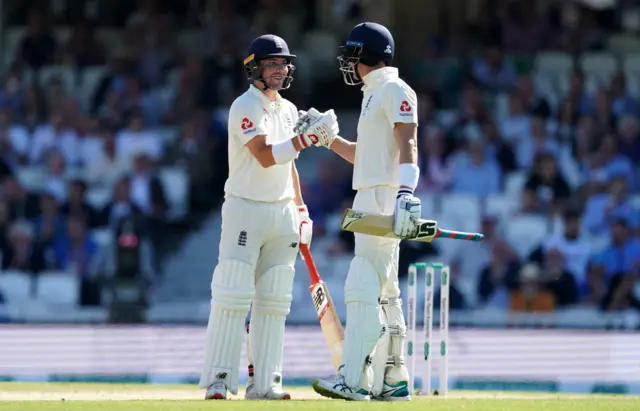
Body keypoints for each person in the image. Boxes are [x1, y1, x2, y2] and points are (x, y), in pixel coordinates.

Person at [198, 34, 339, 400]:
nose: (280, 69)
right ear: (254, 68)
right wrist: (307, 141)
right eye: (272, 63)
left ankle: (265, 384)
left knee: (275, 299)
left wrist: (301, 208)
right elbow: (263, 154)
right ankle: (219, 380)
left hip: (281, 211)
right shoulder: (244, 106)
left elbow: (288, 164)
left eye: (283, 63)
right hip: (246, 207)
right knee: (233, 292)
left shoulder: (290, 110)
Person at [306, 22, 421, 401]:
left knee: (361, 285)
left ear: (366, 55)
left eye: (352, 54)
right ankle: (393, 378)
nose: (348, 63)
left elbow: (409, 141)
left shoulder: (393, 88)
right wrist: (330, 141)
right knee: (386, 290)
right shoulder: (374, 93)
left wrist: (405, 194)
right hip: (373, 194)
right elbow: (366, 157)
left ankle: (352, 380)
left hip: (383, 198)